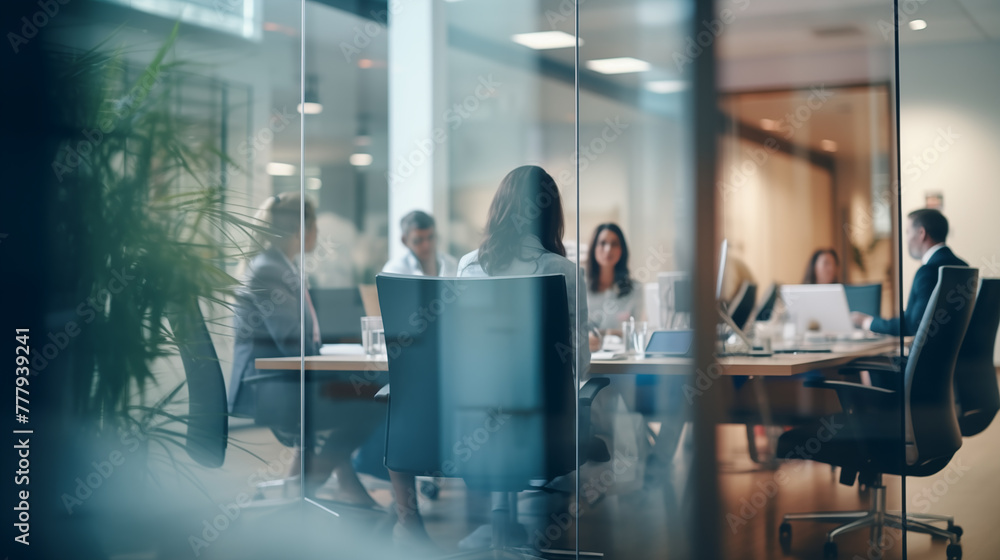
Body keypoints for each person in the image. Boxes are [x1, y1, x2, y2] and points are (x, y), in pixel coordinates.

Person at [230, 192, 382, 506]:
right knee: (375, 400)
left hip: (281, 381)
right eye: (315, 227)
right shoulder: (269, 270)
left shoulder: (279, 266)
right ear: (303, 230)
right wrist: (329, 348)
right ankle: (311, 482)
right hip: (270, 387)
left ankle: (305, 485)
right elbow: (293, 340)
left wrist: (332, 347)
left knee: (364, 391)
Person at [458, 165, 590, 368]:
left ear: (499, 208)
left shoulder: (468, 267)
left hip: (479, 397)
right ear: (551, 216)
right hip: (547, 398)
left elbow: (463, 348)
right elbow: (579, 364)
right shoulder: (566, 273)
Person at [852, 208, 967, 336]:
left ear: (921, 233)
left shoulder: (928, 272)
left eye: (907, 232)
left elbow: (912, 325)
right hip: (960, 354)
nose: (906, 240)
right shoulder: (964, 267)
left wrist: (866, 322)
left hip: (932, 355)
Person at [585, 223, 643, 351]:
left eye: (614, 244)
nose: (608, 249)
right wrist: (612, 333)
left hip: (624, 361)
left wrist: (601, 334)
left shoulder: (635, 289)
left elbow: (637, 333)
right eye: (602, 243)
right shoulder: (581, 288)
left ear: (621, 250)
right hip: (590, 361)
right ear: (594, 248)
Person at [383, 210, 457, 277]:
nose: (426, 245)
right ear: (404, 241)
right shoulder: (394, 272)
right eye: (418, 240)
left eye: (430, 237)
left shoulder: (452, 265)